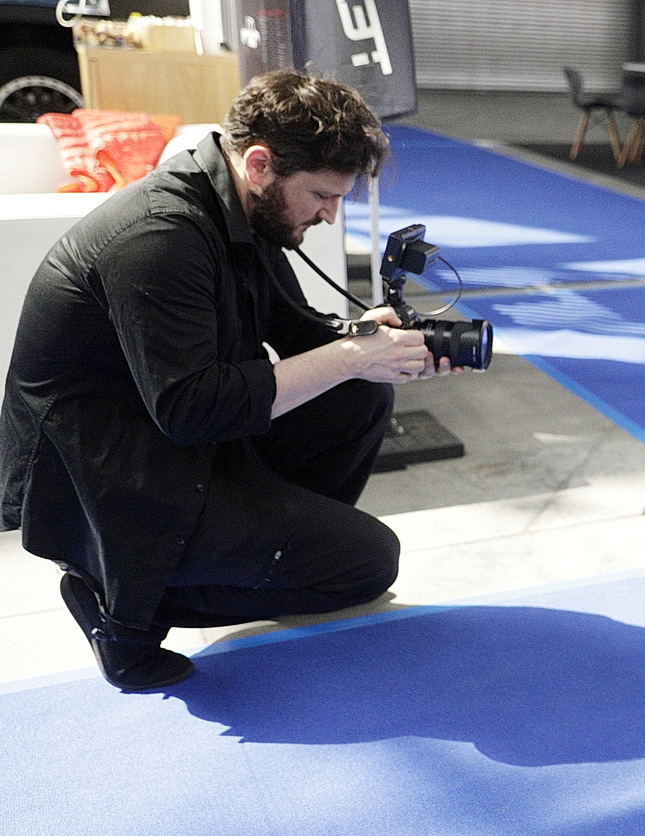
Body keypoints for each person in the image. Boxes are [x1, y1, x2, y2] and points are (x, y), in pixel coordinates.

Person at [0, 70, 454, 692]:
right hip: (108, 477)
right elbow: (192, 408)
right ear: (260, 164)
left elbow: (297, 332)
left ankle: (252, 549)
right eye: (323, 194)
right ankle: (122, 608)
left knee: (359, 394)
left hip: (166, 443)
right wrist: (350, 357)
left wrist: (372, 341)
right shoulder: (158, 236)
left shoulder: (242, 211)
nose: (330, 214)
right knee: (367, 564)